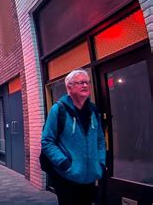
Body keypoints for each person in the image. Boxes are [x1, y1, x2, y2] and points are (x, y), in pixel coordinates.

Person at [41, 69, 106, 205]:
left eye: (87, 82)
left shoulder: (93, 110)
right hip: (66, 176)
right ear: (69, 87)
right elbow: (47, 141)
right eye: (80, 82)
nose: (85, 85)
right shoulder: (58, 109)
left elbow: (100, 140)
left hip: (90, 175)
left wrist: (100, 163)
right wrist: (64, 164)